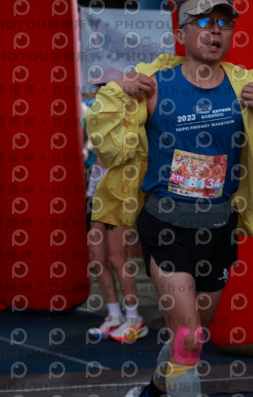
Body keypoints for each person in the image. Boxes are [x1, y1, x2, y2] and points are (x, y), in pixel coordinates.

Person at [86, 0, 253, 397]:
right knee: (186, 336)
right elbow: (110, 148)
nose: (215, 31)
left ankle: (152, 392)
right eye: (204, 22)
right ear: (182, 32)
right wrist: (115, 93)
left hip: (219, 227)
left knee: (192, 337)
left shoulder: (243, 89)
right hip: (166, 226)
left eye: (223, 24)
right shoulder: (154, 85)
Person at [84, 68, 147, 342]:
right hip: (97, 195)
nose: (99, 92)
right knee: (97, 260)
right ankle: (113, 315)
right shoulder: (98, 117)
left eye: (105, 87)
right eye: (98, 88)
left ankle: (135, 319)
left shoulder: (131, 116)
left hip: (120, 195)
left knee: (117, 258)